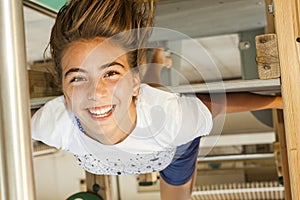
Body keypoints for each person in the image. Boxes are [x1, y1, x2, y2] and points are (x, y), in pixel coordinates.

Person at [31, 0, 283, 199]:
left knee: (157, 100)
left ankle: (156, 62)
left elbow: (217, 104)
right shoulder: (53, 123)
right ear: (63, 89)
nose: (95, 93)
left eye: (111, 73)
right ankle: (157, 61)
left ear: (133, 82)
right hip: (151, 122)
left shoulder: (174, 120)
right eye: (77, 78)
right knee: (155, 94)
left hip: (172, 151)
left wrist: (277, 101)